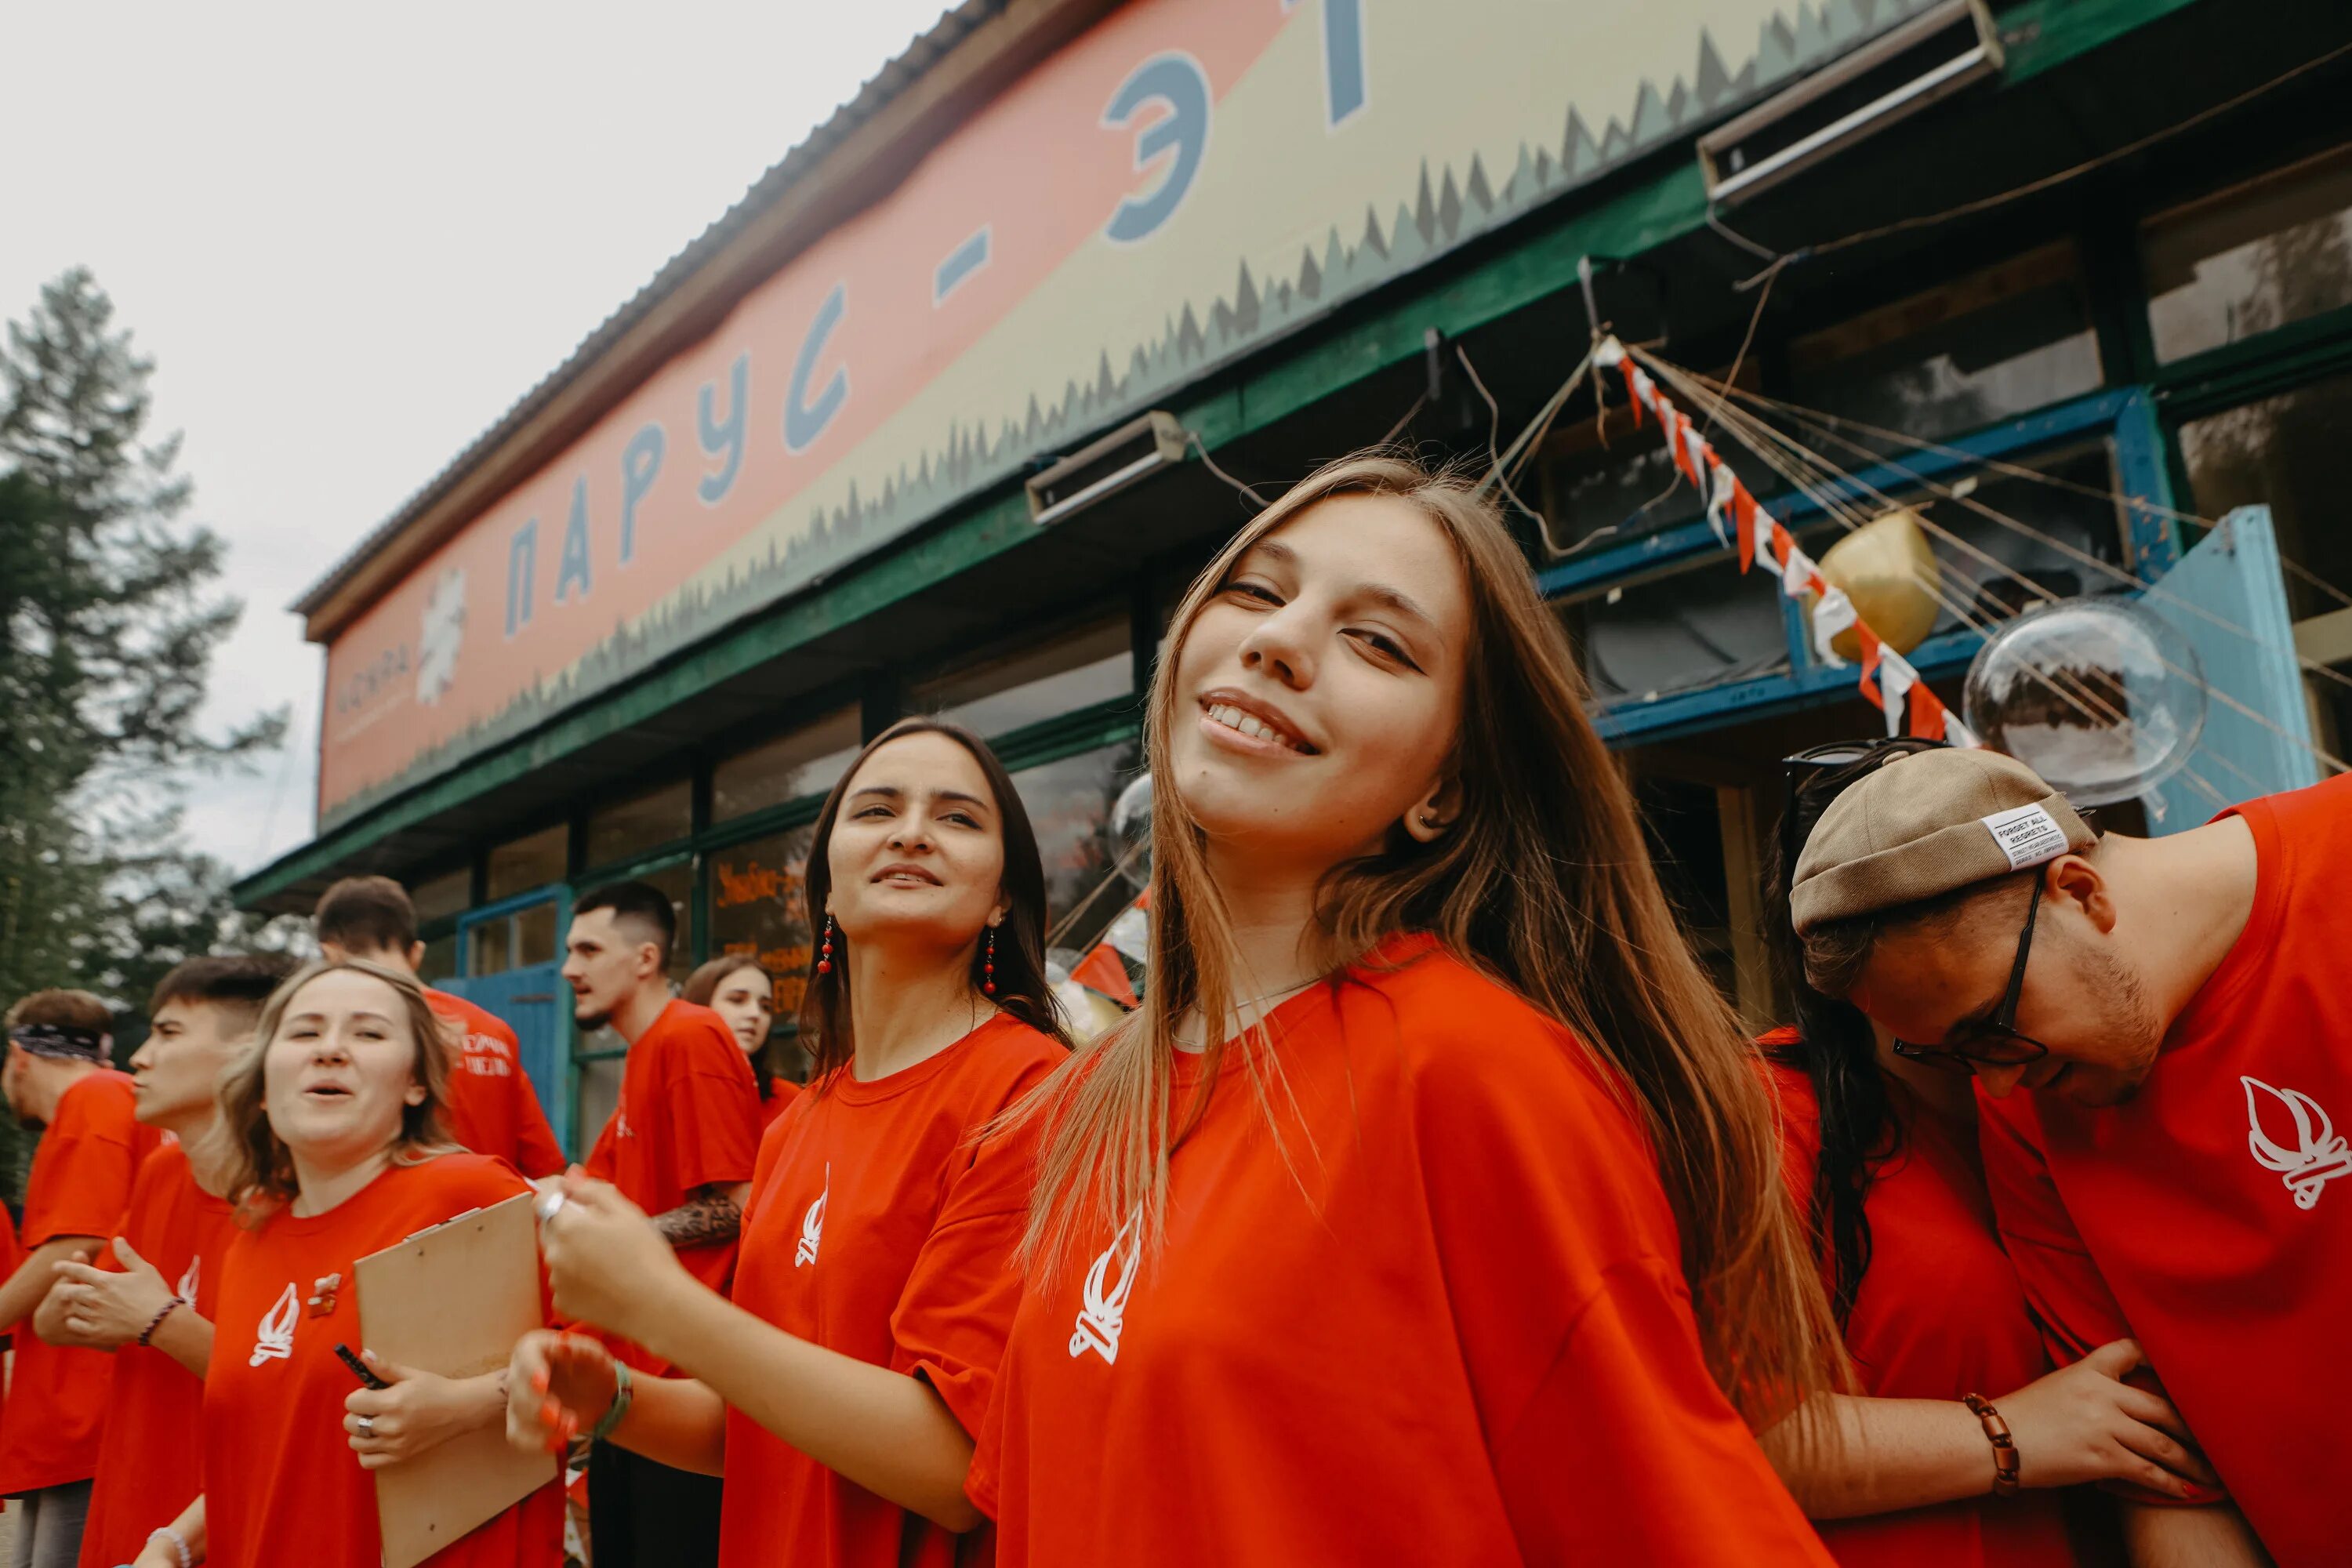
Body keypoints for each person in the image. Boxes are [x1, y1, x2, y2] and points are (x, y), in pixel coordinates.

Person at [967, 452, 1846, 1565]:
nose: (1278, 640)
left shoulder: (1473, 1072)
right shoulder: (1087, 1100)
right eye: (1256, 589)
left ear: (1444, 791)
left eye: (1378, 642)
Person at [509, 720, 1071, 1568]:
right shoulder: (801, 1119)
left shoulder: (1032, 1091)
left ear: (1001, 897)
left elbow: (959, 1467)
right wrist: (615, 1396)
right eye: (876, 807)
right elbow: (770, 1419)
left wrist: (661, 1302)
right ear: (828, 893)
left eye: (958, 817)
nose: (912, 829)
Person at [1790, 746, 2351, 1567]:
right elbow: (2168, 1475)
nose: (2002, 1079)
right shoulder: (2027, 1114)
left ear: (2079, 892)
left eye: (1991, 1026)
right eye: (1960, 1055)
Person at [1755, 742, 2208, 1566]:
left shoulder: (2104, 1075)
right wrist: (2006, 1433)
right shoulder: (1768, 1116)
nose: (2001, 1074)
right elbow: (1713, 1425)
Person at [126, 958, 563, 1568]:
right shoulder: (254, 1230)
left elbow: (613, 1363)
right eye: (304, 1032)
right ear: (260, 1082)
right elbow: (281, 1449)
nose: (331, 1050)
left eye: (368, 1033)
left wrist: (471, 1404)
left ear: (415, 1083)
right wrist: (173, 1545)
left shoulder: (467, 1193)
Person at [36, 954, 296, 1568]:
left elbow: (305, 1404)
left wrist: (162, 1322)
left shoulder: (306, 1196)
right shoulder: (161, 1173)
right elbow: (63, 1320)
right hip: (128, 1517)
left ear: (248, 1054)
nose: (138, 1057)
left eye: (169, 1033)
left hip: (223, 1534)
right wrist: (78, 1305)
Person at [561, 880, 764, 1568]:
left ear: (644, 958)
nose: (568, 969)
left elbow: (739, 1206)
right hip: (636, 1368)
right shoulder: (645, 1049)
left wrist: (629, 1236)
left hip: (687, 1379)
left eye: (588, 949)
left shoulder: (690, 1035)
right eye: (568, 951)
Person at [0, 989, 162, 1568]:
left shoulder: (96, 1094)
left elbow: (78, 1243)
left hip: (88, 1405)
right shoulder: (105, 1098)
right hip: (70, 1409)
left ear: (20, 1056)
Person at [314, 875, 565, 1179]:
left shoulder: (340, 1043)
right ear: (417, 953)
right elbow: (543, 1164)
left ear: (331, 955)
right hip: (495, 1214)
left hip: (400, 1218)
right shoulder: (494, 1031)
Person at [683, 956, 800, 1130]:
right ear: (701, 1006)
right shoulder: (671, 1093)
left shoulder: (791, 1102)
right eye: (737, 1000)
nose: (755, 1014)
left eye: (765, 1007)